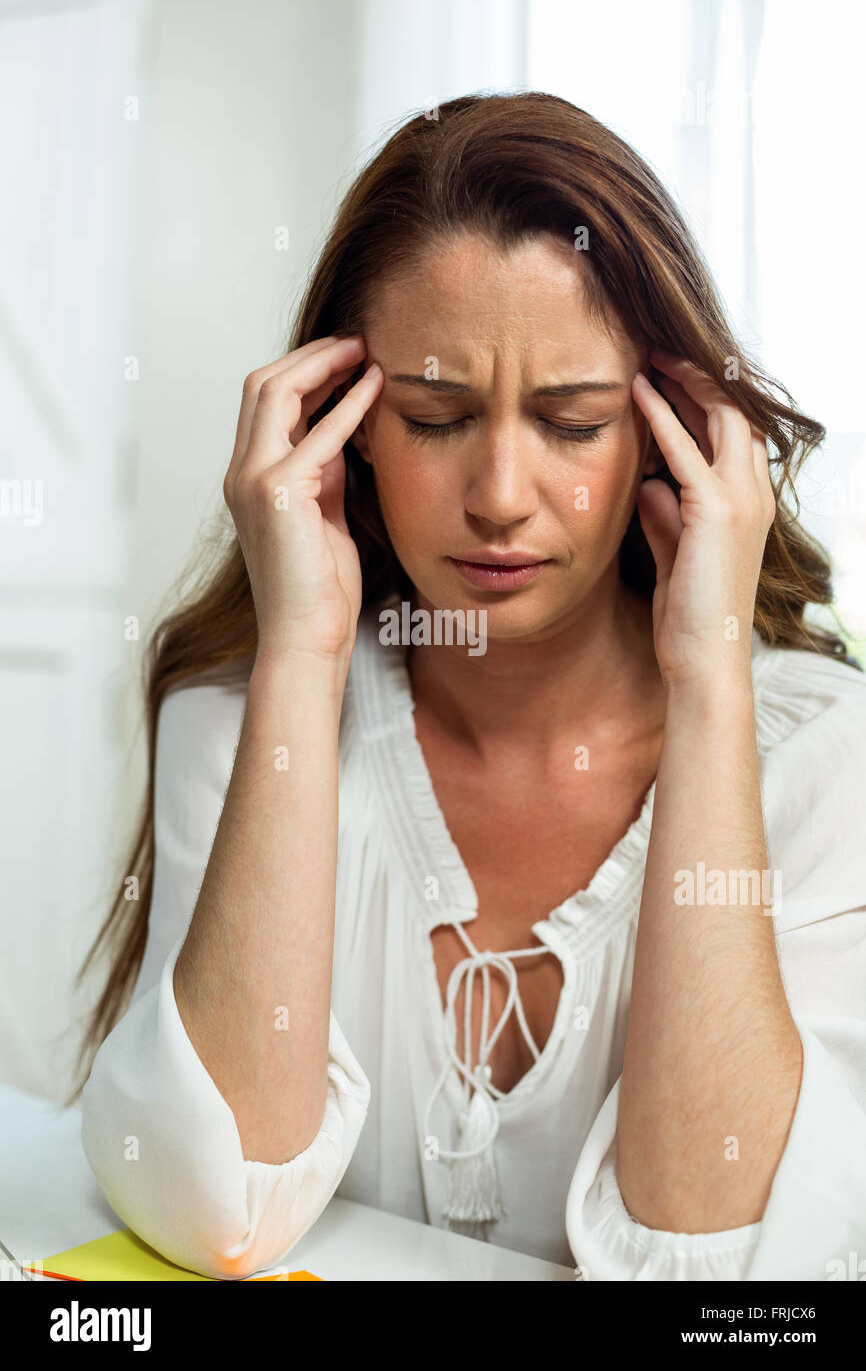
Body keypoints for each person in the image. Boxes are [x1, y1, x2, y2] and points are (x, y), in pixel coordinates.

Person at [70, 93, 866, 1280]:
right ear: (343, 427)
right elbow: (205, 1205)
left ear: (667, 432)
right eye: (434, 417)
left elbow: (742, 1271)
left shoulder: (823, 759)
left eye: (570, 421)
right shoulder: (240, 714)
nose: (499, 492)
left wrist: (707, 676)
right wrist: (300, 651)